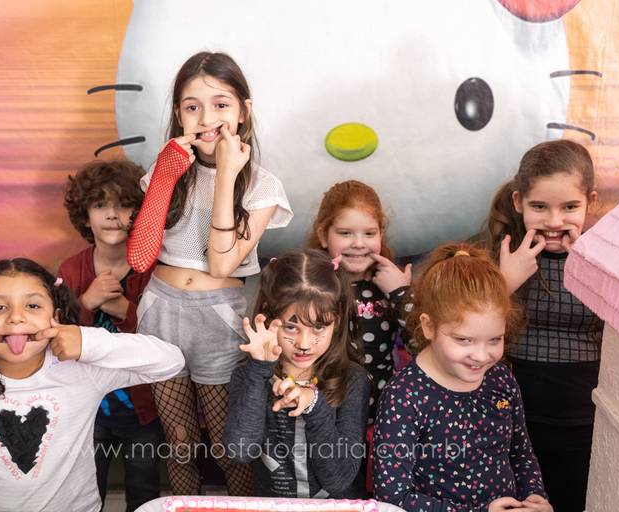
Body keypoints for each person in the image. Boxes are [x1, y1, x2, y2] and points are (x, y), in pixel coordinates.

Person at [124, 51, 292, 495]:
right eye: (192, 106)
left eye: (220, 104)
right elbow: (140, 257)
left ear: (243, 111)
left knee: (226, 444)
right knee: (179, 440)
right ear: (178, 113)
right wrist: (165, 176)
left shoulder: (262, 185)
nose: (206, 117)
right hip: (161, 309)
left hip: (218, 317)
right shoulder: (167, 170)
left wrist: (226, 176)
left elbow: (222, 264)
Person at [0, 258, 184, 512]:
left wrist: (89, 341)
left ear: (55, 318)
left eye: (32, 305)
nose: (16, 317)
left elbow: (171, 361)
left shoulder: (82, 367)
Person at [372, 243, 551, 512]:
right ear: (428, 326)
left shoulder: (500, 378)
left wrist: (535, 496)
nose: (481, 356)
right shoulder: (404, 396)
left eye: (494, 340)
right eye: (464, 340)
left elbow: (520, 452)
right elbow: (392, 497)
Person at [484, 139, 602, 512]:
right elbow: (458, 330)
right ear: (519, 202)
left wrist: (592, 271)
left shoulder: (605, 260)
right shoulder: (497, 255)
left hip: (583, 420)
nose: (554, 221)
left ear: (590, 202)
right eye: (539, 207)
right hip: (509, 419)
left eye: (570, 207)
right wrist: (504, 282)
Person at [224, 249, 371, 498]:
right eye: (291, 327)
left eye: (319, 327)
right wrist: (259, 370)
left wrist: (314, 404)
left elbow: (339, 480)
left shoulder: (352, 380)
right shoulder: (249, 375)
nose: (304, 344)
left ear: (337, 323)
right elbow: (240, 451)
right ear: (269, 317)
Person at [59, 159, 160, 511]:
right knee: (88, 486)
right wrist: (87, 302)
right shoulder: (73, 269)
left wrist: (125, 311)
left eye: (124, 205)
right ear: (85, 217)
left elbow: (163, 340)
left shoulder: (154, 270)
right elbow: (58, 335)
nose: (113, 215)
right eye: (101, 205)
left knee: (144, 487)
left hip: (143, 407)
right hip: (90, 407)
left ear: (141, 213)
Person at [309, 180, 412, 422]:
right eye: (345, 233)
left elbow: (423, 346)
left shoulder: (391, 284)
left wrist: (402, 295)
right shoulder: (310, 285)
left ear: (381, 234)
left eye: (369, 233)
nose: (358, 243)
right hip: (326, 416)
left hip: (383, 416)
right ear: (323, 236)